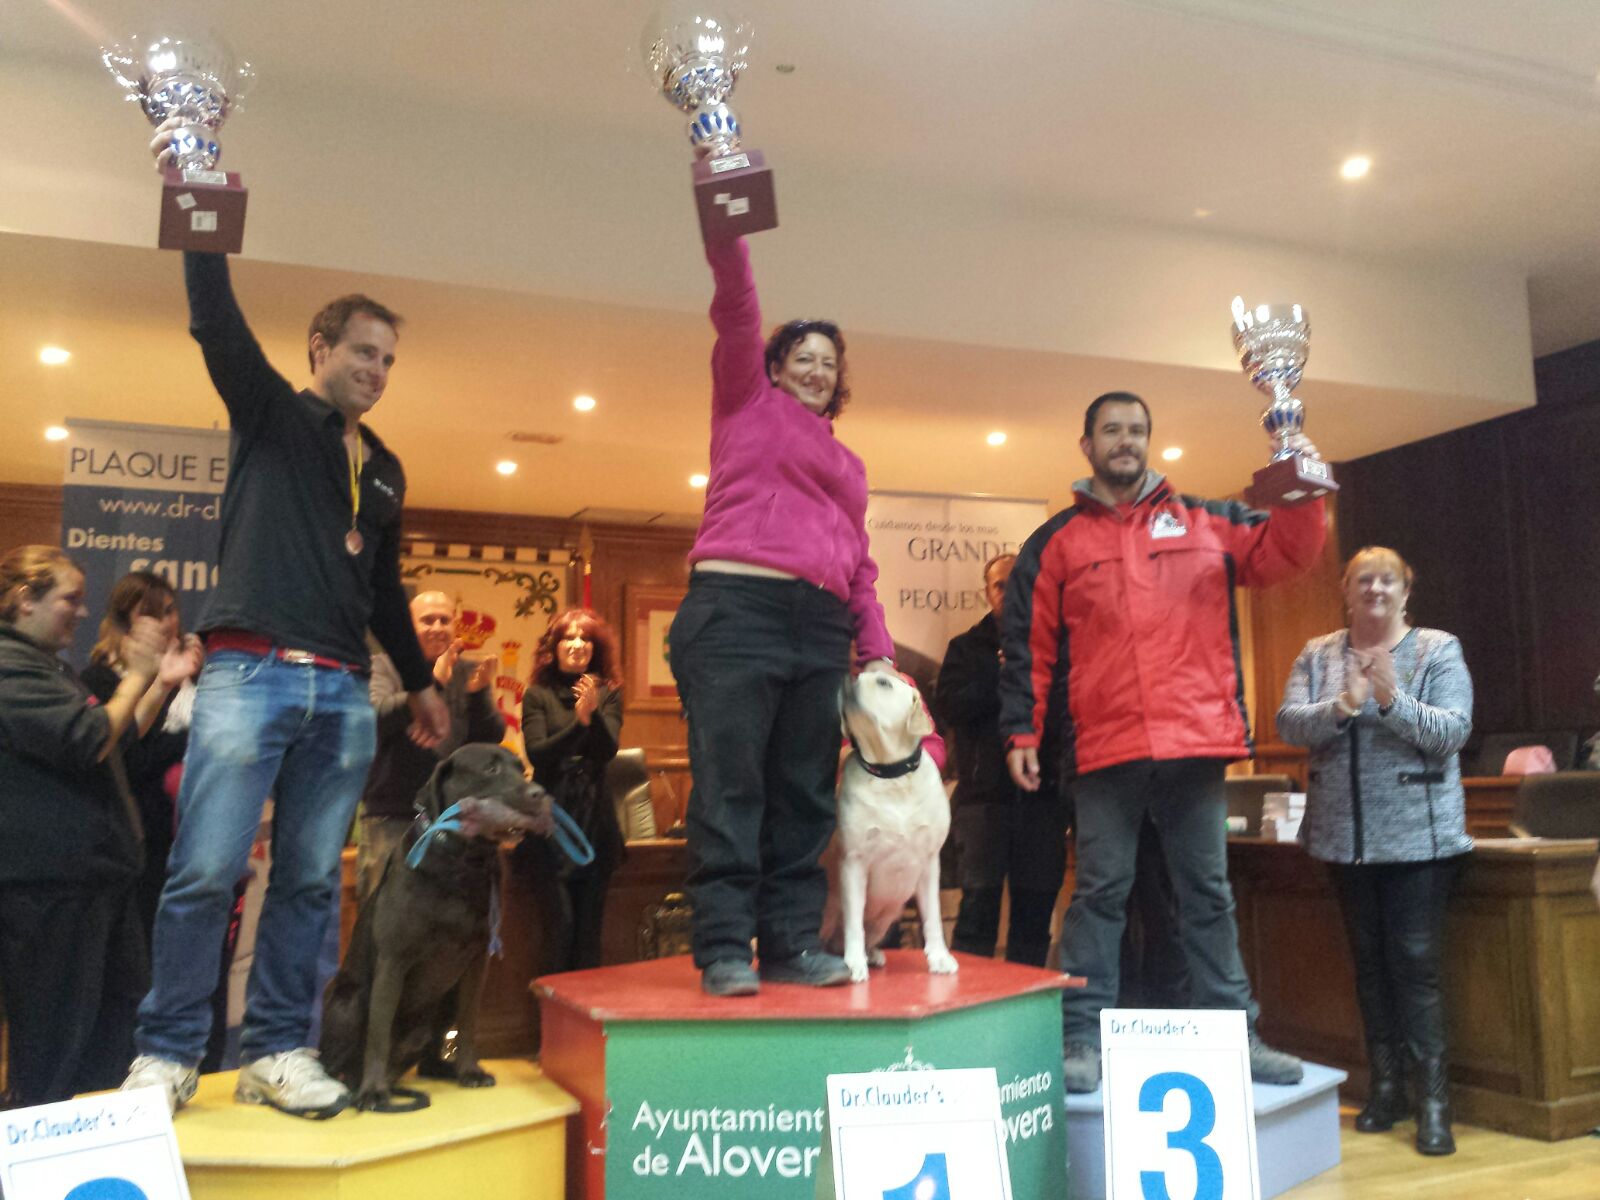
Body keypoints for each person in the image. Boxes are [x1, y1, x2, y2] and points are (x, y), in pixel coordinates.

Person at [122, 122, 450, 1118]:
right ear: (320, 349)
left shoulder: (384, 467)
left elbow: (384, 588)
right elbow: (214, 319)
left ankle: (278, 1051)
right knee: (206, 870)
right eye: (363, 352)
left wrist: (421, 684)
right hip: (248, 672)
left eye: (388, 359)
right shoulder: (268, 413)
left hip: (342, 692)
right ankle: (167, 1056)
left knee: (311, 882)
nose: (377, 370)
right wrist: (195, 196)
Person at [1000, 391, 1321, 1092]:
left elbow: (1288, 553)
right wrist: (1022, 727)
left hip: (1195, 742)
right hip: (1105, 747)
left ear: (1149, 440)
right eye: (1112, 430)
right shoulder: (1056, 542)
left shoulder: (1209, 520)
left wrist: (1299, 483)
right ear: (1087, 444)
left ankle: (1237, 1034)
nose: (1126, 440)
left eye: (1137, 430)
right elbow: (1028, 642)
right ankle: (1080, 1038)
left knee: (1207, 894)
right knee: (1099, 895)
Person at [669, 232, 897, 997]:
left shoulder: (850, 466)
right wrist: (727, 224)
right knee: (731, 785)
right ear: (773, 365)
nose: (818, 369)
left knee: (804, 793)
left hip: (820, 627)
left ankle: (794, 942)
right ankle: (724, 947)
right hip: (737, 611)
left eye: (829, 363)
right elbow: (736, 308)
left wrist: (877, 650)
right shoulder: (745, 402)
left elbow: (859, 562)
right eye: (804, 355)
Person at [1277, 546, 1473, 1155]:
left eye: (1388, 580)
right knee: (1368, 966)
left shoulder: (1437, 650)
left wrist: (1392, 701)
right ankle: (1387, 1090)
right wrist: (1343, 706)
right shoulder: (1318, 653)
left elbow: (1453, 732)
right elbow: (1288, 724)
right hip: (1343, 841)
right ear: (1346, 589)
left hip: (1420, 842)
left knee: (1415, 965)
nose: (1376, 589)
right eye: (1364, 579)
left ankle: (1434, 1102)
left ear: (1406, 592)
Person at [0, 546, 200, 1105]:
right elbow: (88, 737)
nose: (83, 612)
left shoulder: (46, 665)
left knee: (115, 1039)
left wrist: (157, 684)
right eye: (71, 599)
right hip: (50, 892)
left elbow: (115, 738)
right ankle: (32, 1153)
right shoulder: (9, 665)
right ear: (25, 599)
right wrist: (136, 674)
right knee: (53, 1051)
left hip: (97, 884)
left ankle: (105, 1148)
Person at [936, 552, 1065, 966]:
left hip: (1044, 801)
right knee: (976, 915)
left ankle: (1028, 1003)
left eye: (1017, 583)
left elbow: (1068, 712)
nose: (1008, 593)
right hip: (983, 802)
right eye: (999, 585)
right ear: (987, 592)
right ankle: (969, 1005)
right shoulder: (965, 648)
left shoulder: (1056, 646)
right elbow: (949, 707)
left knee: (1035, 916)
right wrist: (1003, 677)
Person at [359, 591, 505, 904]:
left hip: (452, 819)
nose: (437, 627)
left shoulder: (465, 670)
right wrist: (433, 683)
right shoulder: (384, 666)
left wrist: (478, 695)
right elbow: (374, 717)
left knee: (446, 920)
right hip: (393, 818)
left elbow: (490, 738)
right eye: (427, 620)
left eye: (444, 620)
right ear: (409, 627)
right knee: (387, 919)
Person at [81, 571, 199, 945]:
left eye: (170, 610)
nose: (165, 622)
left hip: (191, 837)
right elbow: (125, 762)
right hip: (138, 843)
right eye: (150, 613)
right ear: (124, 621)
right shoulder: (102, 679)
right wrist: (181, 735)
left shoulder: (193, 678)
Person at [513, 608, 624, 973]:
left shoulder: (608, 694)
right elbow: (539, 754)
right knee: (559, 929)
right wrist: (579, 722)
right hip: (551, 824)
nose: (578, 644)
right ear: (554, 647)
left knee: (589, 934)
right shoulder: (537, 695)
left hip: (595, 823)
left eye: (585, 639)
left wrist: (592, 715)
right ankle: (551, 1009)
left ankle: (584, 1009)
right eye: (569, 637)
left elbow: (606, 750)